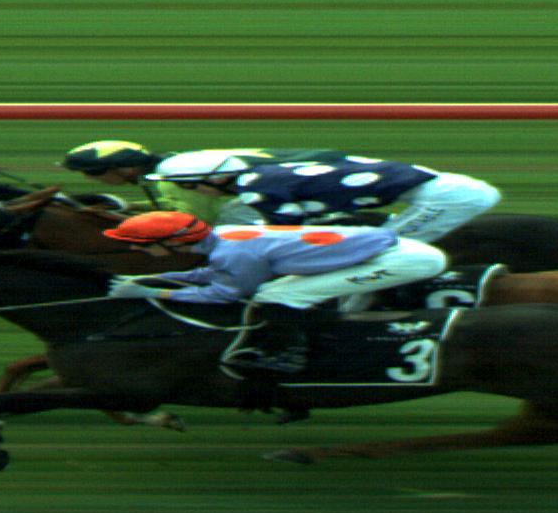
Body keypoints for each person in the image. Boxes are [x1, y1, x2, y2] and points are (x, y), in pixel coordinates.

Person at [101, 211, 447, 375]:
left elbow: (223, 294)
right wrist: (158, 277)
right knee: (274, 291)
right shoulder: (224, 235)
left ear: (175, 241)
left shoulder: (231, 252)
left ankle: (290, 355)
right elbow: (215, 274)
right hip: (389, 249)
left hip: (405, 261)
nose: (136, 250)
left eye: (141, 244)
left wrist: (153, 294)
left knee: (278, 296)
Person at [136, 149, 500, 240]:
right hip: (449, 189)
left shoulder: (256, 187)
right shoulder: (265, 175)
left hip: (446, 198)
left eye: (190, 185)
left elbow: (286, 234)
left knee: (378, 251)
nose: (196, 192)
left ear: (216, 178)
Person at [58, 141, 352, 217]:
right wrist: (129, 208)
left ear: (124, 169)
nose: (90, 179)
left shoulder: (172, 177)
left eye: (93, 172)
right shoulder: (174, 165)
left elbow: (195, 222)